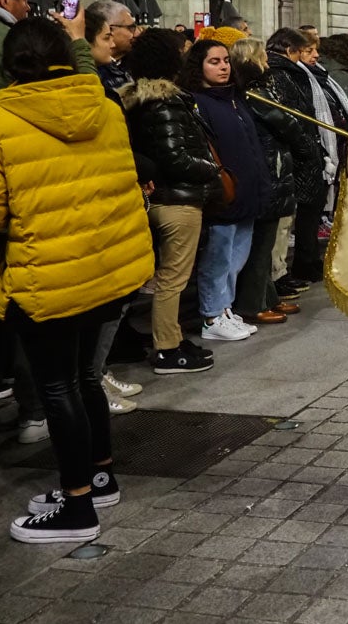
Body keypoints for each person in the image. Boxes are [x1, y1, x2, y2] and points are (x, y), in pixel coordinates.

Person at [0, 18, 153, 544]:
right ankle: (99, 478)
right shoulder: (106, 106)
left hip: (48, 274)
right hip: (109, 266)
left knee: (57, 387)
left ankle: (76, 509)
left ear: (9, 64)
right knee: (86, 380)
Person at [119, 29, 222, 371]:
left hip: (161, 195)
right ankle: (167, 348)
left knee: (171, 276)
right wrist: (212, 169)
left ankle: (174, 338)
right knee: (173, 277)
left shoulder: (137, 99)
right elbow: (173, 156)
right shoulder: (164, 102)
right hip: (176, 199)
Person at [181, 40, 271, 342]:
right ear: (199, 66)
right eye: (214, 62)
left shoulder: (234, 98)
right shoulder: (197, 101)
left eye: (225, 61)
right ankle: (211, 314)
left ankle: (225, 308)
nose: (222, 67)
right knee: (218, 257)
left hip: (246, 189)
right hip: (224, 192)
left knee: (236, 256)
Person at [229, 38, 303, 327]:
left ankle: (268, 296)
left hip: (273, 165)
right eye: (263, 57)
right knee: (261, 244)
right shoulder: (255, 93)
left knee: (267, 240)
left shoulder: (255, 89)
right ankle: (252, 303)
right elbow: (286, 123)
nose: (268, 62)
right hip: (267, 168)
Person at [253, 28, 328, 291]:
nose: (314, 56)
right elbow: (288, 117)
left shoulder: (294, 74)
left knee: (289, 219)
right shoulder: (280, 75)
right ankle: (277, 276)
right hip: (286, 156)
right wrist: (307, 145)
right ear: (289, 51)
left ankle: (281, 272)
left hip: (293, 153)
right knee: (283, 222)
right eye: (306, 51)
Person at [84, 0, 138, 94]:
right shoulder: (87, 76)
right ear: (110, 28)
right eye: (130, 28)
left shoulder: (135, 63)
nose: (136, 33)